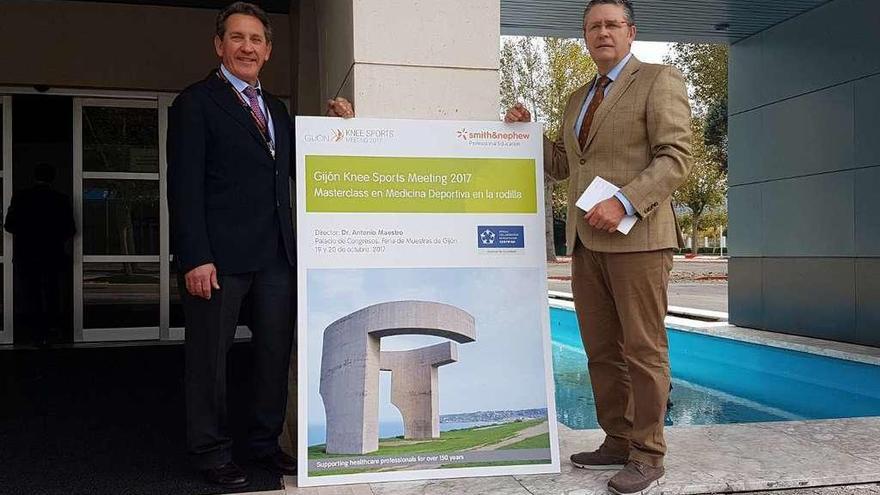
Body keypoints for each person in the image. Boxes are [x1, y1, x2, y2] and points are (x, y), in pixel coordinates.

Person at [505, 1, 692, 493]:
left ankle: (648, 453)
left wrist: (625, 201)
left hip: (639, 240)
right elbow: (566, 165)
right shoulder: (576, 99)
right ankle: (617, 438)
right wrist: (529, 133)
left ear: (631, 32)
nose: (602, 32)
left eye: (612, 24)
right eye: (594, 26)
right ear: (585, 37)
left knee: (643, 350)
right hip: (587, 244)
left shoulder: (659, 80)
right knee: (601, 351)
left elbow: (675, 158)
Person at [167, 2, 353, 487]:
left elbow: (300, 166)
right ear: (219, 45)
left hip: (276, 258)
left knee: (273, 355)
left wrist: (338, 130)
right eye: (237, 37)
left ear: (268, 50)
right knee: (209, 360)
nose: (247, 47)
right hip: (218, 260)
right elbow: (183, 188)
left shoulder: (276, 110)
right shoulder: (196, 103)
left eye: (256, 39)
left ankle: (263, 446)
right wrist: (195, 256)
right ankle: (210, 453)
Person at [3, 163, 75, 347]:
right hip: (51, 253)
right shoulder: (60, 199)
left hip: (26, 254)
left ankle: (34, 331)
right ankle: (51, 329)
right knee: (52, 291)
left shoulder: (21, 197)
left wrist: (28, 233)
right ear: (53, 178)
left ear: (35, 176)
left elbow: (9, 225)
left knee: (30, 292)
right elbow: (70, 229)